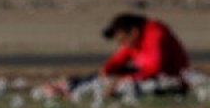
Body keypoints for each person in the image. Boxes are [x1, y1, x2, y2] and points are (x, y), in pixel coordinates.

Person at [43, 13, 191, 98]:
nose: (121, 44)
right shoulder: (135, 40)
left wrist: (120, 80)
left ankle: (73, 91)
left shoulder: (155, 35)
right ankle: (71, 86)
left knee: (121, 83)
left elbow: (155, 68)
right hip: (144, 73)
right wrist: (105, 72)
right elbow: (117, 60)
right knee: (107, 75)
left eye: (122, 39)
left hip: (167, 78)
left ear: (133, 32)